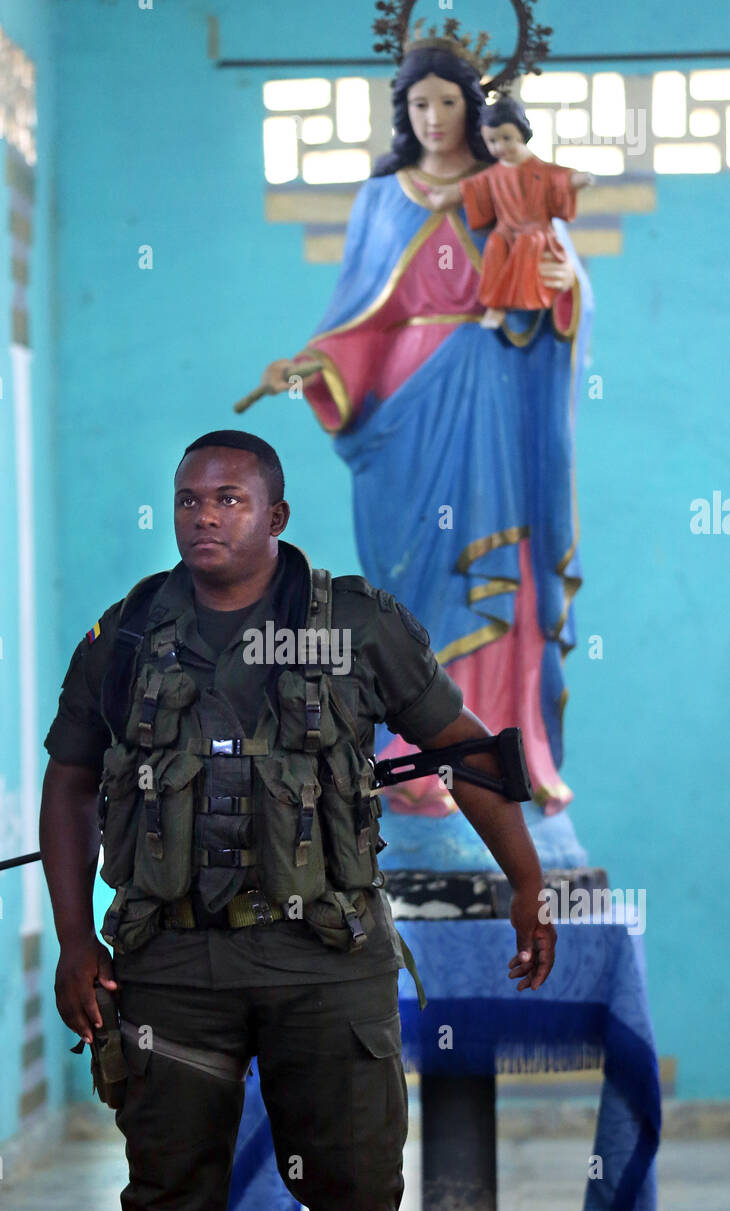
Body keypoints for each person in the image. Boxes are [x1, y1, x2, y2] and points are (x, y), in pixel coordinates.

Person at [39, 428, 556, 1211]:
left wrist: (529, 883)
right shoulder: (127, 633)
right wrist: (73, 937)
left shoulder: (356, 626)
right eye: (189, 501)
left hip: (325, 964)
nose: (205, 517)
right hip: (172, 966)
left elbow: (465, 753)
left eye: (229, 501)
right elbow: (72, 783)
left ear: (275, 514)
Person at [256, 41, 593, 828]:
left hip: (495, 400)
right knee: (411, 591)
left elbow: (562, 286)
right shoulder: (382, 199)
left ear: (472, 110)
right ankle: (417, 768)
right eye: (418, 104)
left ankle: (505, 756)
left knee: (495, 567)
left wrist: (562, 289)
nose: (433, 119)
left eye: (447, 102)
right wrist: (309, 368)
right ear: (402, 112)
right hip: (405, 414)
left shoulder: (512, 187)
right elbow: (357, 320)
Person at [426, 96, 594, 329]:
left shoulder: (539, 169)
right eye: (492, 141)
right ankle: (496, 303)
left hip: (535, 231)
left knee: (527, 244)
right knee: (495, 245)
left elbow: (559, 178)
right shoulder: (495, 173)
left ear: (521, 134)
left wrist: (577, 180)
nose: (500, 147)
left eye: (507, 139)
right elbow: (472, 187)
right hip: (505, 230)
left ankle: (527, 298)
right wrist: (447, 193)